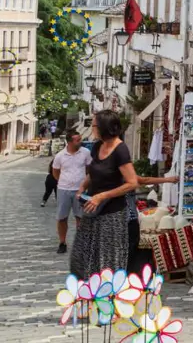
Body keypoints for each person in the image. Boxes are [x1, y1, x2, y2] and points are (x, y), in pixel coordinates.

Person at [71, 110, 138, 278]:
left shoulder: (120, 150)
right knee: (81, 257)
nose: (92, 128)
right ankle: (89, 291)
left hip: (112, 214)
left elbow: (132, 182)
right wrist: (82, 188)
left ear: (104, 127)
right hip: (92, 210)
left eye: (94, 125)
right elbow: (94, 171)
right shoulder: (97, 146)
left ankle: (108, 296)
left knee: (107, 259)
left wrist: (102, 196)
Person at [127, 172, 177, 273]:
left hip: (120, 219)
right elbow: (145, 180)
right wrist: (168, 180)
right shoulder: (124, 174)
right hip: (128, 219)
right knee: (130, 252)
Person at [52, 133, 92, 255]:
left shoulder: (85, 152)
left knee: (81, 217)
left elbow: (89, 169)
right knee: (62, 217)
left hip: (80, 190)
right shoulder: (60, 156)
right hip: (64, 190)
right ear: (69, 142)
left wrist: (85, 183)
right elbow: (55, 172)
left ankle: (80, 244)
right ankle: (62, 242)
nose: (80, 141)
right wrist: (64, 181)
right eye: (77, 140)